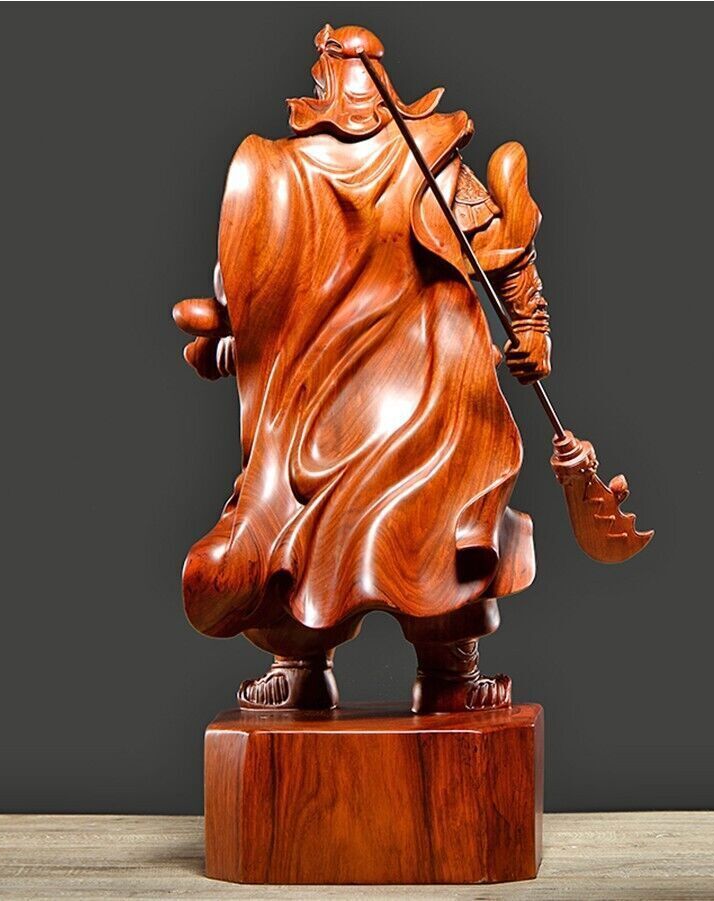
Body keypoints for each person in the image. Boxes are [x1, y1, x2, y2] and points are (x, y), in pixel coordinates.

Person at [173, 24, 552, 712]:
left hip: (424, 398)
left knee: (437, 518)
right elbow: (244, 307)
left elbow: (498, 251)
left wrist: (531, 328)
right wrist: (229, 346)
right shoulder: (276, 175)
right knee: (283, 528)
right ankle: (299, 663)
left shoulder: (429, 159)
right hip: (312, 407)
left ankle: (451, 670)